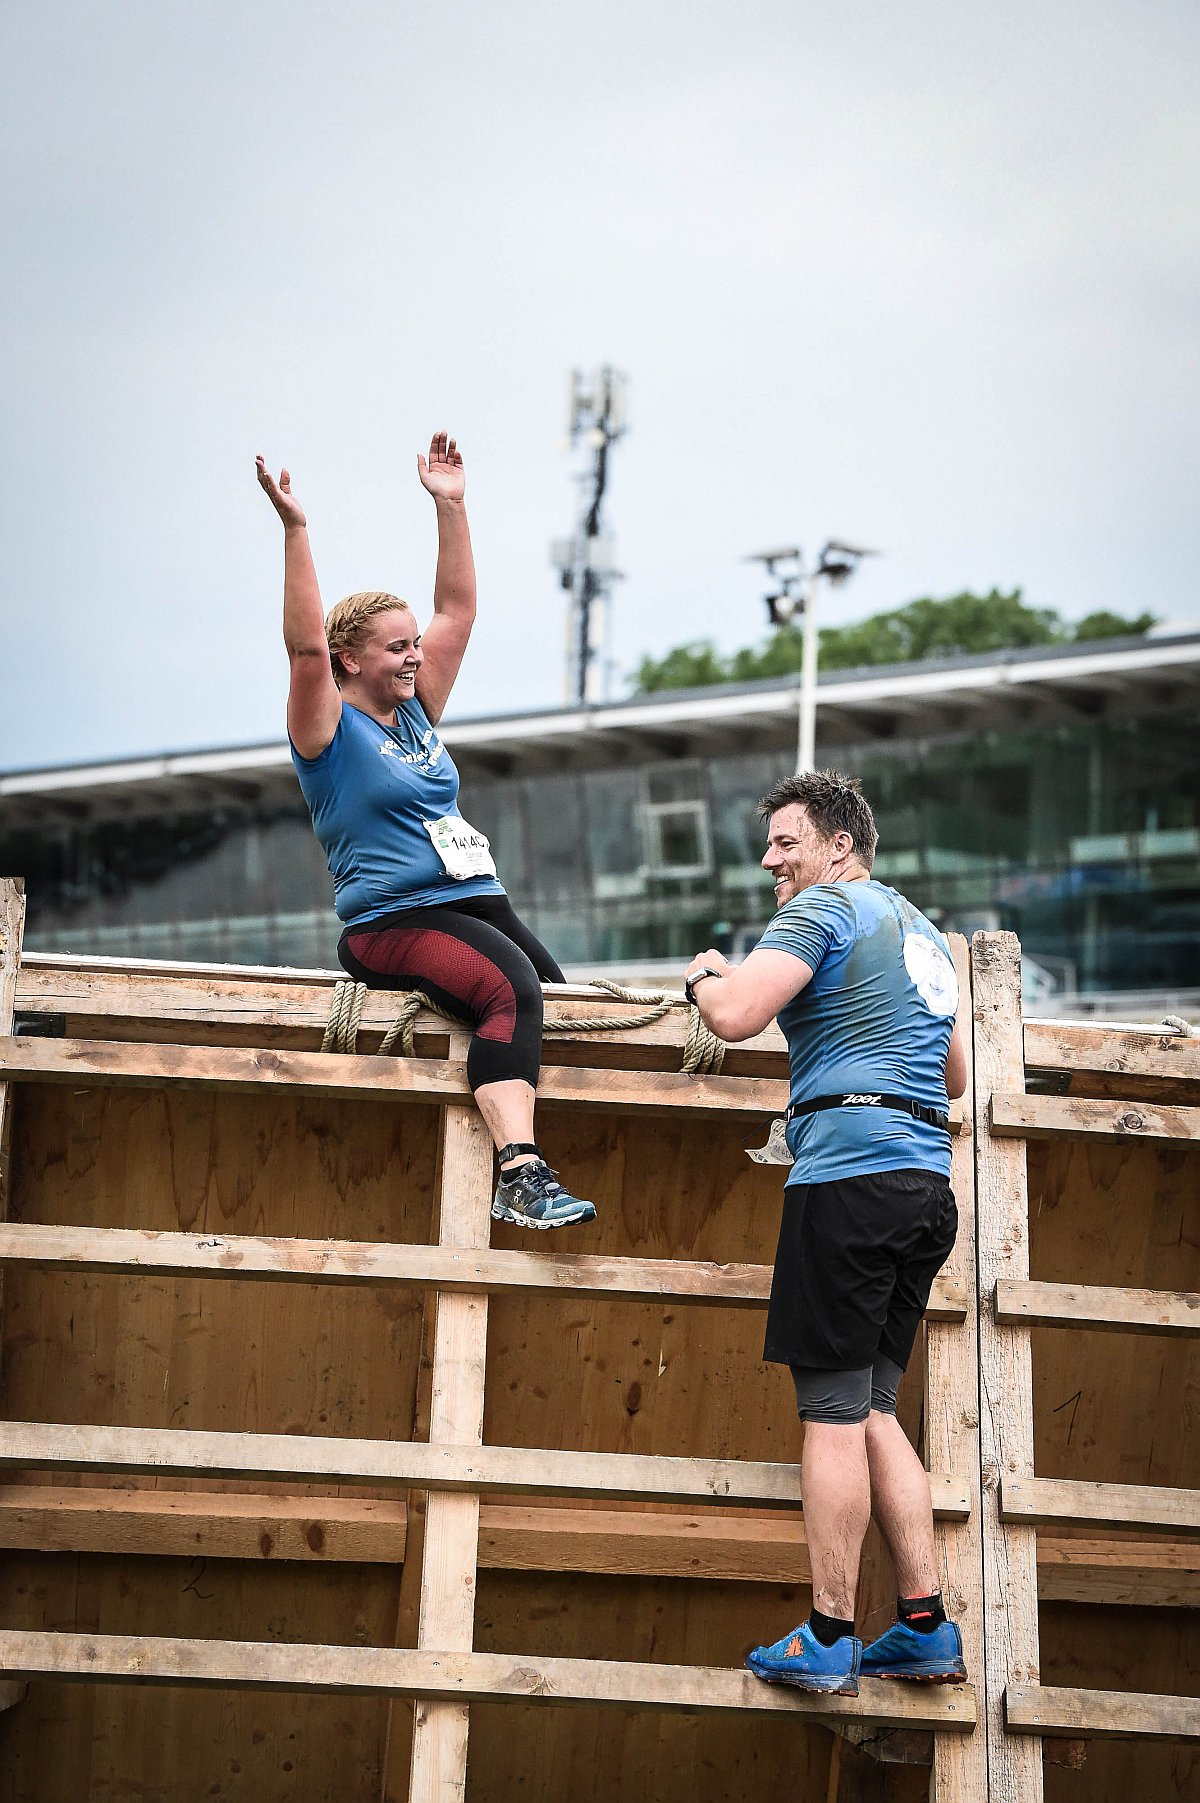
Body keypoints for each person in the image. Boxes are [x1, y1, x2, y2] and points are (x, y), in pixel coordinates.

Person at [256, 433, 595, 1231]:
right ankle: (518, 1173)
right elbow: (303, 644)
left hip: (476, 898)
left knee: (563, 1003)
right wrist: (296, 530)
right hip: (391, 920)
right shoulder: (326, 728)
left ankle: (546, 1147)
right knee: (506, 991)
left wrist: (451, 504)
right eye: (396, 647)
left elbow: (458, 610)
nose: (414, 656)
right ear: (350, 657)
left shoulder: (415, 706)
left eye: (414, 645)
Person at [683, 770, 968, 1697]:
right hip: (925, 1186)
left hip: (847, 1180)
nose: (772, 859)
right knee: (876, 1404)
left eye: (786, 841)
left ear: (839, 845)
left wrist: (705, 972)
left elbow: (733, 1015)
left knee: (833, 1416)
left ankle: (831, 1633)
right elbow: (955, 1072)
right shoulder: (920, 930)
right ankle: (924, 1625)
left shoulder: (820, 911)